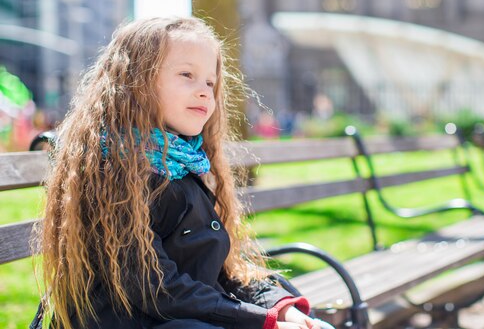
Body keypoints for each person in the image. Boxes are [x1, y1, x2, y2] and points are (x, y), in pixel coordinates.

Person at [36, 17, 333, 329]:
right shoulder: (112, 170)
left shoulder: (181, 165)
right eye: (187, 75)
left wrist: (282, 312)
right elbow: (156, 289)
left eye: (209, 82)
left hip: (184, 314)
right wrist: (263, 323)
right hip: (138, 321)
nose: (205, 92)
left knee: (284, 296)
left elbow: (220, 274)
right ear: (136, 82)